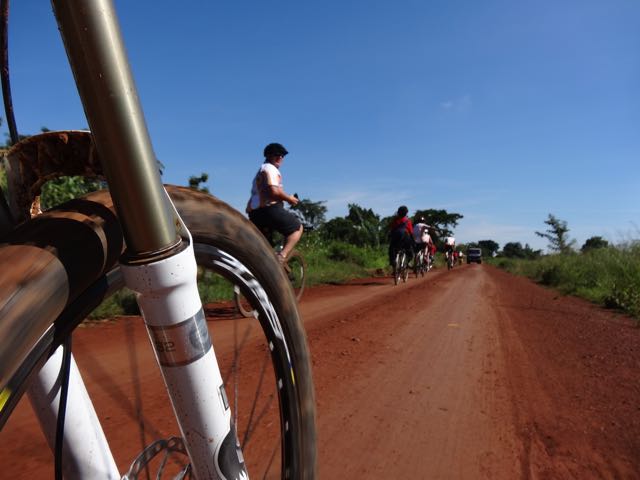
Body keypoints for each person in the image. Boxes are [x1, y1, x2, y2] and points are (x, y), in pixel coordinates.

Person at [246, 142, 302, 265]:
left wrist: (287, 197)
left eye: (282, 155)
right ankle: (281, 256)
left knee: (265, 248)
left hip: (255, 213)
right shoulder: (270, 168)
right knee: (297, 228)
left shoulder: (260, 171)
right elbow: (274, 191)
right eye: (277, 155)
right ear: (268, 156)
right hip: (269, 210)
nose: (280, 158)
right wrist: (289, 199)